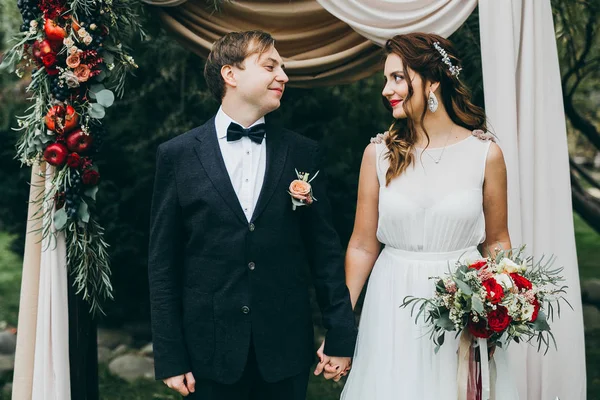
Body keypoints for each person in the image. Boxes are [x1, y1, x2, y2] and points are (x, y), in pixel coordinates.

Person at [147, 30, 357, 400]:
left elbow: (324, 252)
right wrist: (170, 356)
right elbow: (163, 264)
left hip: (285, 351)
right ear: (231, 74)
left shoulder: (302, 154)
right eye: (270, 66)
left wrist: (341, 334)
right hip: (208, 352)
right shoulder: (177, 156)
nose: (284, 76)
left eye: (283, 68)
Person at [329, 32, 520, 399]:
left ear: (433, 81)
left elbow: (496, 240)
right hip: (392, 302)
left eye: (397, 77)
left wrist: (503, 306)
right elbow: (362, 245)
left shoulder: (485, 154)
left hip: (463, 306)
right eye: (386, 79)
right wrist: (340, 319)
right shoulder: (378, 155)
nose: (386, 89)